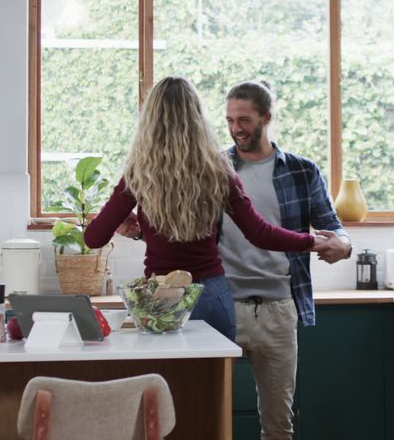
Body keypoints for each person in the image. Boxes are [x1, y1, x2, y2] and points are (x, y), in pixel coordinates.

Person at [119, 80, 351, 440]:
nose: (235, 129)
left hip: (278, 308)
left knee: (278, 423)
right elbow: (185, 236)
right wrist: (139, 231)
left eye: (243, 120)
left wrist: (344, 246)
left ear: (266, 118)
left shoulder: (302, 171)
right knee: (206, 412)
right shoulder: (211, 168)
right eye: (228, 120)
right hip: (223, 303)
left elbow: (332, 227)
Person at [82, 77, 333, 341]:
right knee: (217, 384)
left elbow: (93, 238)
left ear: (150, 119)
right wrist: (312, 241)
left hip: (160, 298)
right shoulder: (218, 168)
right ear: (197, 117)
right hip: (211, 295)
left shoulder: (139, 173)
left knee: (169, 384)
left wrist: (123, 215)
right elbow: (259, 233)